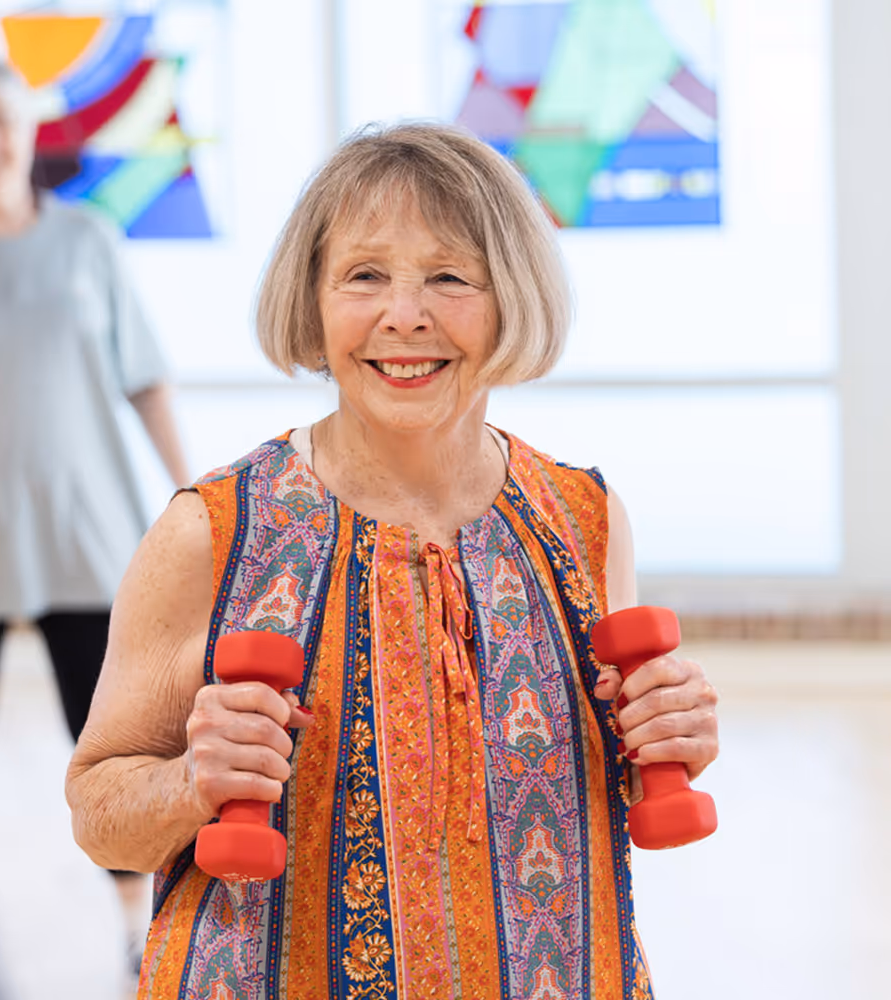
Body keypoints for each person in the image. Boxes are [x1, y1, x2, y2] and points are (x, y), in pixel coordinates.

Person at [66, 123, 719, 998]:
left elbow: (621, 773)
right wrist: (191, 783)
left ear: (511, 296)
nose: (404, 315)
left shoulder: (584, 519)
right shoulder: (212, 532)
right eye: (364, 275)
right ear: (314, 298)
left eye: (448, 277)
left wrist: (668, 734)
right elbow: (98, 814)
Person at [0, 59, 189, 982]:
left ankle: (139, 930)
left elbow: (143, 377)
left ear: (28, 130)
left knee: (111, 744)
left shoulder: (88, 243)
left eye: (1, 119)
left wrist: (197, 500)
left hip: (82, 536)